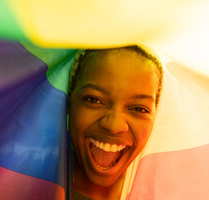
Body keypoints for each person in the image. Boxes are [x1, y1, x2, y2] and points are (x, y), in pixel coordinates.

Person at [67, 45, 163, 199]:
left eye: (139, 109)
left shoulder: (169, 192)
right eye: (94, 100)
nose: (113, 126)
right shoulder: (25, 187)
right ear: (68, 102)